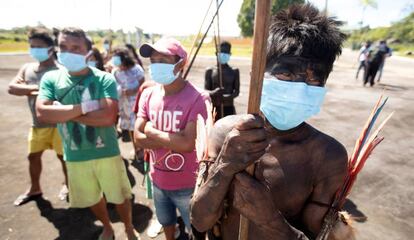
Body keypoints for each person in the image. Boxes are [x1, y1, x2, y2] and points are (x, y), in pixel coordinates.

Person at [191, 4, 350, 240]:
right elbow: (200, 221)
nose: (299, 89)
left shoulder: (327, 156)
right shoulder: (225, 132)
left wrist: (269, 219)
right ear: (259, 73)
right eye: (286, 74)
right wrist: (225, 165)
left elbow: (319, 235)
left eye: (314, 79)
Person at [35, 27, 138, 240]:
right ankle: (107, 227)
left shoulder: (104, 79)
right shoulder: (51, 79)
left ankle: (128, 227)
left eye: (75, 48)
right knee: (92, 198)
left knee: (119, 196)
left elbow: (108, 117)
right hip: (74, 155)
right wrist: (86, 108)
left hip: (107, 152)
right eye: (63, 47)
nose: (68, 52)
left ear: (88, 52)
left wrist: (63, 113)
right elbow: (42, 113)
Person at [134, 37, 209, 240]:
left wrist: (150, 130)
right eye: (154, 60)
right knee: (166, 221)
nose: (157, 65)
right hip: (157, 180)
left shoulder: (199, 98)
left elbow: (186, 144)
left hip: (187, 184)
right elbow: (137, 138)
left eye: (164, 60)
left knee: (195, 228)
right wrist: (172, 138)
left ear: (181, 63)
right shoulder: (148, 94)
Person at [8, 27, 68, 206]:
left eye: (39, 46)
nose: (35, 50)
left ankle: (68, 184)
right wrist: (41, 90)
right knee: (33, 156)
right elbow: (12, 88)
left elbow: (62, 95)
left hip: (58, 126)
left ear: (51, 48)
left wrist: (29, 90)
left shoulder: (61, 70)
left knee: (63, 158)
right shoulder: (27, 68)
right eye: (32, 46)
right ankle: (35, 188)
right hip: (37, 124)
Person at [112, 47, 145, 146]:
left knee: (138, 126)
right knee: (130, 128)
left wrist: (134, 90)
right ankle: (135, 149)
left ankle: (140, 150)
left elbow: (142, 82)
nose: (120, 66)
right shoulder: (115, 72)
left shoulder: (136, 69)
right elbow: (115, 86)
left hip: (136, 103)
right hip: (124, 104)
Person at [205, 41, 240, 120]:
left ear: (230, 54)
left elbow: (237, 92)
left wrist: (227, 97)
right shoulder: (210, 71)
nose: (224, 54)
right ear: (216, 53)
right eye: (222, 52)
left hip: (229, 108)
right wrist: (214, 92)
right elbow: (206, 91)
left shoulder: (234, 71)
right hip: (214, 108)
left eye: (226, 53)